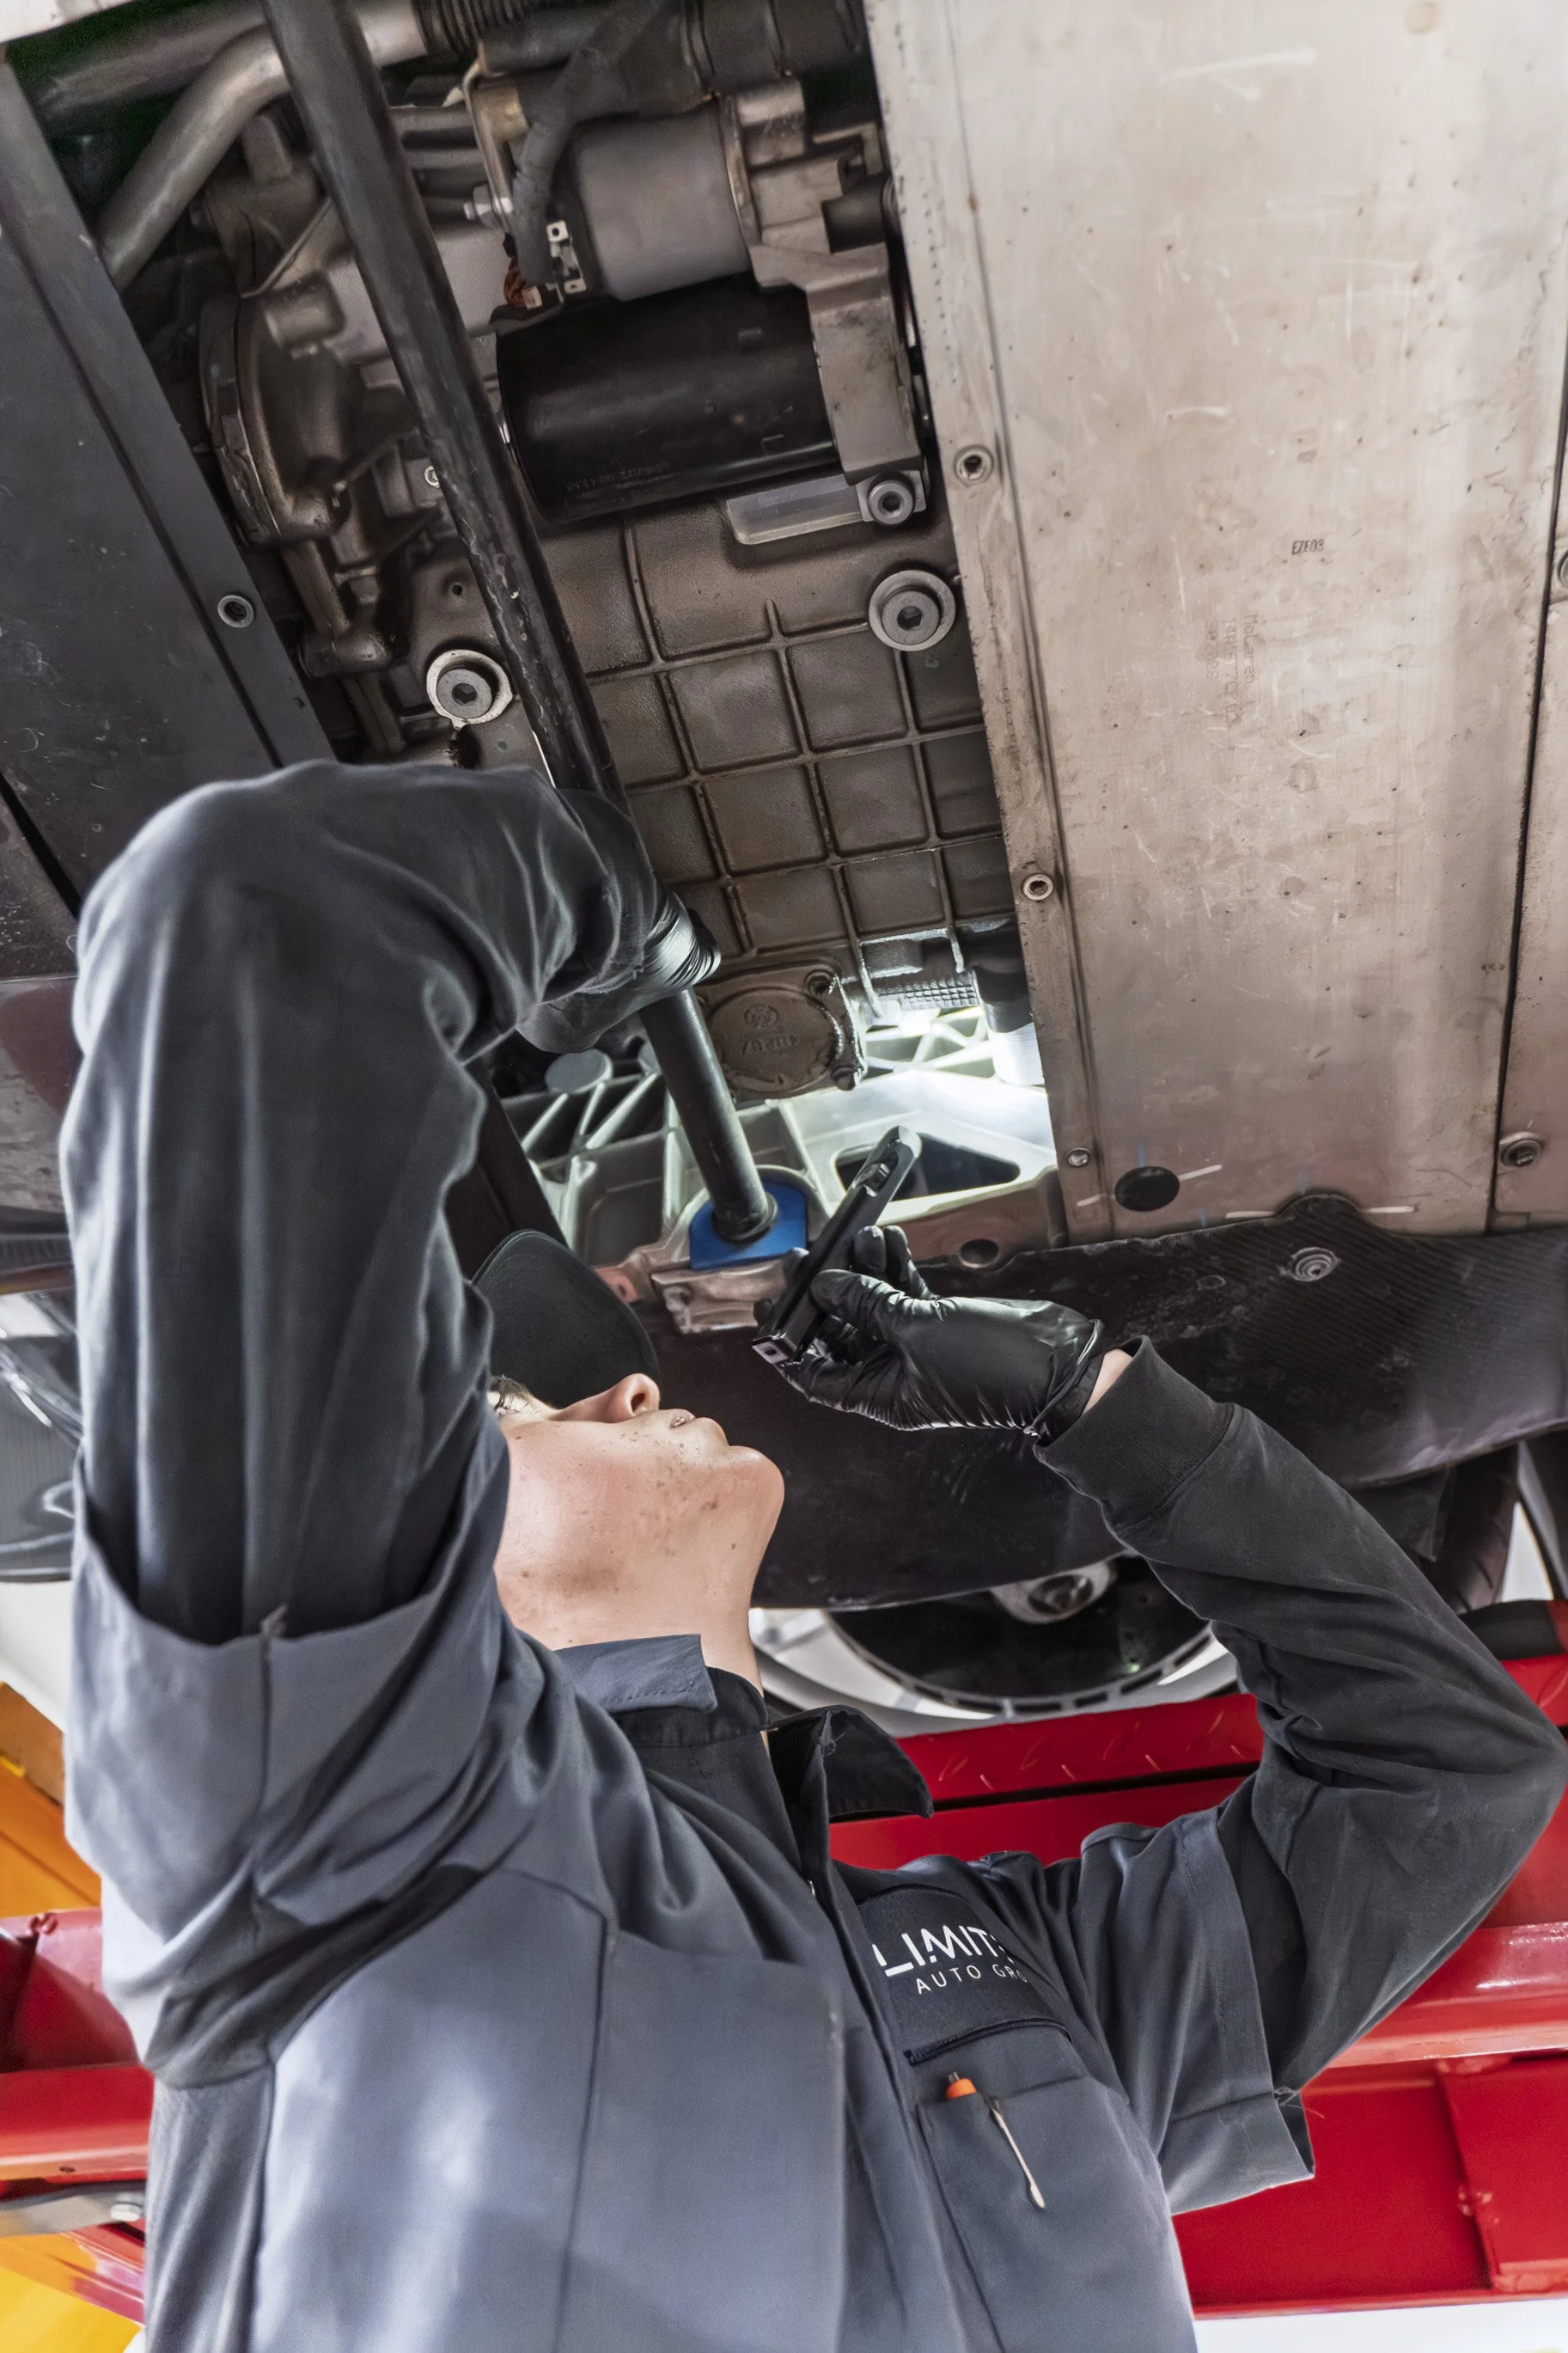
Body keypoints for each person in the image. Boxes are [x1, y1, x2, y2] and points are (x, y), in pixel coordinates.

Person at [64, 761, 1565, 2353]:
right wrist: (595, 905)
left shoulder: (960, 1954)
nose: (628, 1388)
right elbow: (251, 911)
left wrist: (1092, 1397)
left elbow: (1434, 1769)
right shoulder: (327, 1831)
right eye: (520, 1407)